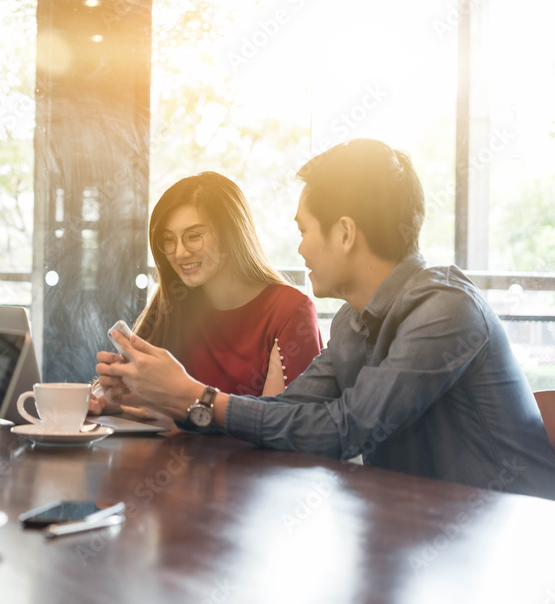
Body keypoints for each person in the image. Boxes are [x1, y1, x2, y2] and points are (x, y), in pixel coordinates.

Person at [97, 139, 555, 499]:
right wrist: (181, 401)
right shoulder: (354, 323)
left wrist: (197, 397)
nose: (299, 248)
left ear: (345, 232)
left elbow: (348, 429)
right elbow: (291, 410)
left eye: (303, 230)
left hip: (511, 538)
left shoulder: (446, 312)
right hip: (420, 527)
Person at [91, 172, 321, 417]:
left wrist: (179, 401)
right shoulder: (174, 303)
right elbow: (147, 409)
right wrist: (112, 400)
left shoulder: (289, 311)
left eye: (193, 236)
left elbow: (275, 425)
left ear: (231, 234)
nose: (179, 253)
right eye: (168, 239)